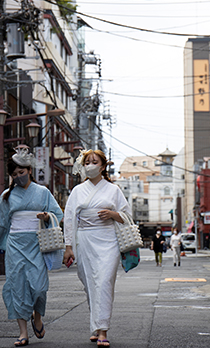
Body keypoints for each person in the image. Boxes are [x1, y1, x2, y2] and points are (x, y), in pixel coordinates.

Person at [0, 147, 64, 347]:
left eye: (21, 172)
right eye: (14, 175)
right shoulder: (6, 195)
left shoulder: (43, 192)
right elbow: (0, 223)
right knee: (17, 286)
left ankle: (37, 317)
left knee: (38, 287)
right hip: (14, 245)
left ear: (29, 170)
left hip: (37, 243)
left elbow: (58, 213)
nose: (19, 177)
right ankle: (23, 332)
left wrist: (47, 217)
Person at [63, 149, 131, 347]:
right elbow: (69, 219)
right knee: (89, 283)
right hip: (84, 239)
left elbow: (127, 215)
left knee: (104, 282)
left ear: (102, 166)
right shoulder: (77, 191)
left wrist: (112, 214)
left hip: (108, 239)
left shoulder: (114, 190)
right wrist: (69, 246)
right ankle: (96, 324)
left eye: (94, 162)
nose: (90, 165)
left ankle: (103, 330)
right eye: (87, 162)